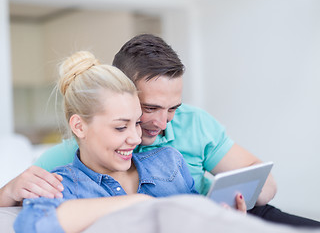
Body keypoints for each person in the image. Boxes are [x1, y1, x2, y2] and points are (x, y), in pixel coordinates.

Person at [2, 34, 320, 227]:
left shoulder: (171, 155)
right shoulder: (64, 167)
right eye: (149, 110)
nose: (162, 123)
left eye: (173, 110)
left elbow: (249, 188)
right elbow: (33, 216)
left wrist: (225, 209)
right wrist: (11, 189)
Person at [14, 51, 220, 232]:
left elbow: (198, 216)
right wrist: (136, 203)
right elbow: (32, 225)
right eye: (120, 127)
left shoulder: (169, 163)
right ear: (79, 126)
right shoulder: (60, 185)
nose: (135, 137)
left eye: (137, 123)